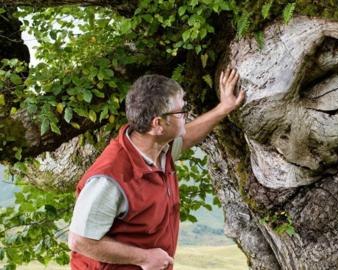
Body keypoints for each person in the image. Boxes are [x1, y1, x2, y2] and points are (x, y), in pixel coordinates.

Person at [68, 69, 245, 270]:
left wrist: (223, 108)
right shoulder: (109, 179)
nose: (185, 115)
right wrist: (143, 258)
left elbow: (187, 137)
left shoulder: (158, 149)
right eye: (181, 112)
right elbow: (79, 240)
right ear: (158, 124)